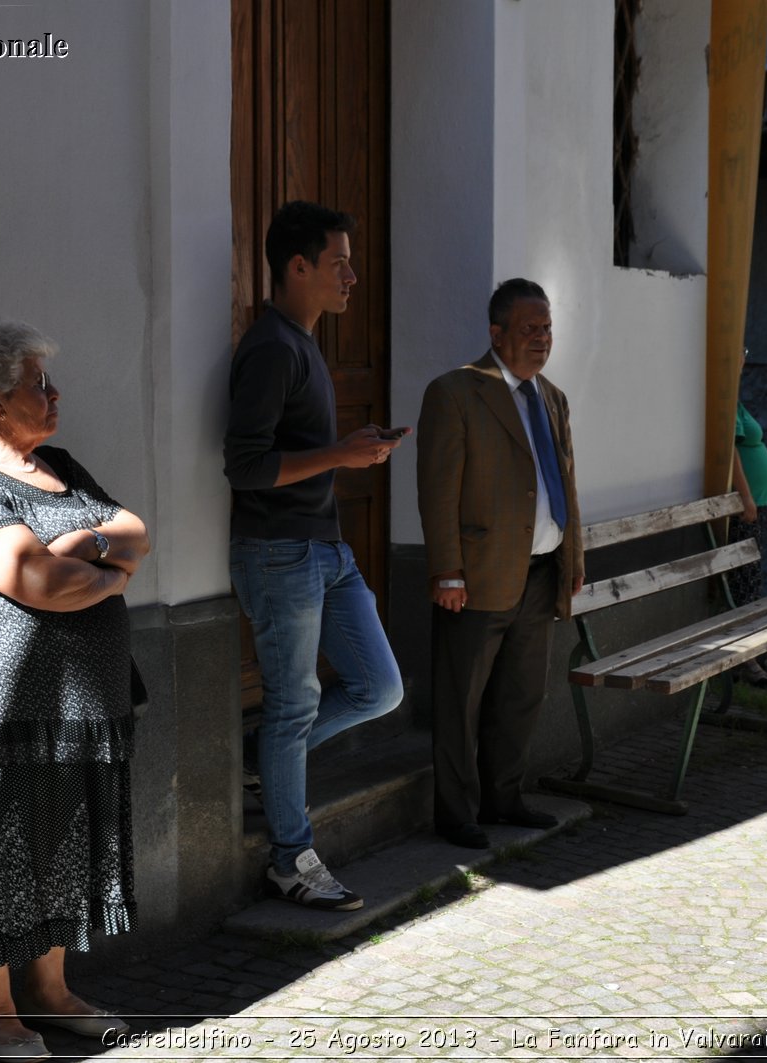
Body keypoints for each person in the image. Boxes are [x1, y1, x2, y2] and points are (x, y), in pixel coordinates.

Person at [0, 320, 148, 1059]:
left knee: (67, 844)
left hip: (87, 706)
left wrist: (92, 553)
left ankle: (50, 990)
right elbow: (38, 582)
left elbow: (136, 529)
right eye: (37, 386)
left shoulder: (59, 465)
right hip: (7, 711)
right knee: (3, 853)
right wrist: (104, 566)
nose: (55, 396)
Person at [223, 201, 405, 910]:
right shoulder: (270, 347)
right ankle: (291, 859)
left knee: (380, 686)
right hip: (279, 553)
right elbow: (245, 467)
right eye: (339, 262)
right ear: (297, 267)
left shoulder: (301, 343)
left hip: (325, 548)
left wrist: (349, 448)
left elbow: (295, 451)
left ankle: (263, 763)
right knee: (293, 705)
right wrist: (340, 454)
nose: (352, 276)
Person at [416, 279, 584, 850]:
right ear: (496, 333)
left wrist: (572, 557)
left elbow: (566, 485)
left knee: (520, 694)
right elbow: (438, 492)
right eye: (529, 330)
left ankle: (504, 798)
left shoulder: (552, 397)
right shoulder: (458, 392)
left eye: (547, 329)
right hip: (477, 575)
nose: (541, 340)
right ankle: (456, 812)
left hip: (540, 572)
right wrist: (446, 572)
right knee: (461, 698)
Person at [730, 387, 767, 686]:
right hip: (743, 509)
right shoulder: (727, 400)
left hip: (755, 506)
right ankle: (746, 660)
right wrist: (745, 497)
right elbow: (730, 449)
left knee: (751, 583)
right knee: (745, 584)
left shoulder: (737, 398)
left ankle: (747, 657)